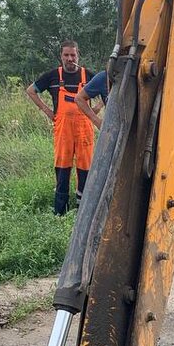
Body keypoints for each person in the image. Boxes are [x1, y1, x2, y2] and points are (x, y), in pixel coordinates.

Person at [26, 40, 101, 215]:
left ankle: (82, 211)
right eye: (66, 55)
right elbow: (31, 90)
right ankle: (60, 212)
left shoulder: (88, 76)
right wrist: (47, 110)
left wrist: (95, 110)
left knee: (85, 169)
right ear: (61, 56)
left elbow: (108, 90)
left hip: (84, 131)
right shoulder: (52, 76)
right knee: (62, 169)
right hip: (63, 132)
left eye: (72, 55)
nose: (69, 58)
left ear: (78, 55)